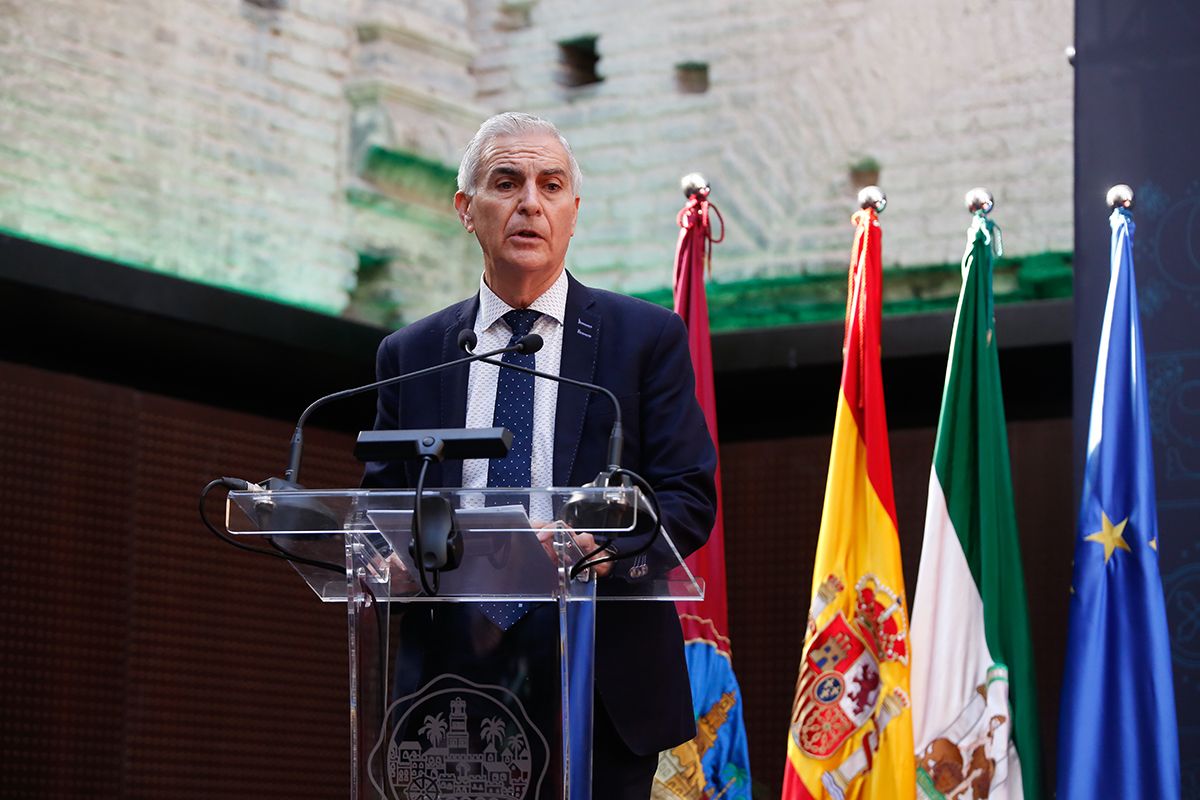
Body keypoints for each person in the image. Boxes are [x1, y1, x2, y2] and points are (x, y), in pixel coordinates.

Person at [362, 111, 717, 798]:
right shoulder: (409, 356)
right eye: (507, 182)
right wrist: (393, 563)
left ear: (573, 212)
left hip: (600, 676)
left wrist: (601, 547)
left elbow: (688, 498)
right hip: (452, 682)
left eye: (551, 186)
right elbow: (385, 503)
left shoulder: (643, 340)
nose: (530, 203)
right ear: (467, 209)